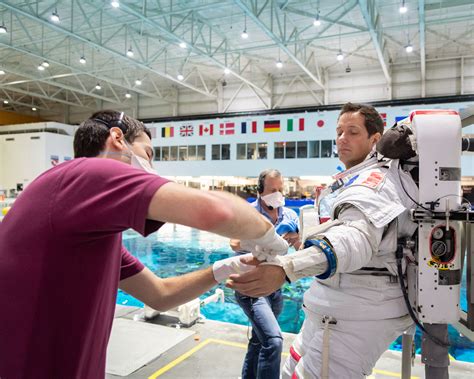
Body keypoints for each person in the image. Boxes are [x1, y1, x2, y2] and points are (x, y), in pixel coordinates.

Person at [0, 110, 288, 379]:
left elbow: (160, 295)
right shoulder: (86, 173)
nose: (151, 167)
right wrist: (272, 239)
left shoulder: (95, 232)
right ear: (116, 139)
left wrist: (228, 266)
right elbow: (218, 212)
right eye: (148, 154)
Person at [227, 102, 418, 378]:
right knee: (290, 367)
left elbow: (355, 239)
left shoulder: (374, 183)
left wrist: (287, 268)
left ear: (375, 139)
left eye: (352, 132)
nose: (342, 138)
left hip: (358, 309)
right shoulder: (356, 181)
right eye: (339, 131)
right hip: (332, 303)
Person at [230, 169, 301, 379]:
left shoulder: (289, 215)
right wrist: (264, 239)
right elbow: (234, 243)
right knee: (273, 341)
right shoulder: (248, 213)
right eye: (272, 190)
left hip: (275, 288)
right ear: (260, 191)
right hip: (251, 287)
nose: (277, 194)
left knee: (258, 340)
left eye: (280, 189)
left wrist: (297, 237)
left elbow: (300, 247)